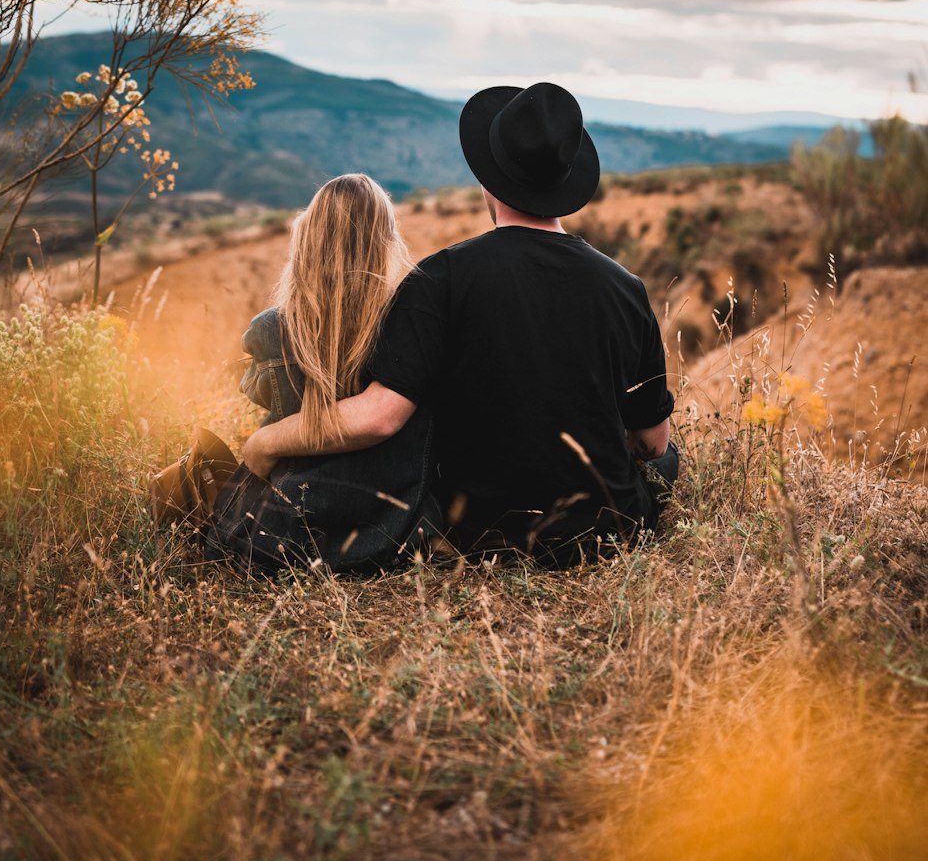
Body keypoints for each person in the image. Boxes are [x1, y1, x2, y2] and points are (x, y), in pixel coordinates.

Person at [244, 83, 678, 568]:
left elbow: (379, 416)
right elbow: (651, 443)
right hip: (610, 531)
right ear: (567, 180)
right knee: (669, 458)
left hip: (482, 532)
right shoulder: (626, 287)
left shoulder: (441, 278)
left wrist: (265, 441)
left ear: (488, 182)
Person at [177, 174, 438, 573]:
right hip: (396, 536)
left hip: (284, 538)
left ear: (308, 237)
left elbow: (258, 393)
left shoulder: (271, 329)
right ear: (385, 240)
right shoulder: (410, 325)